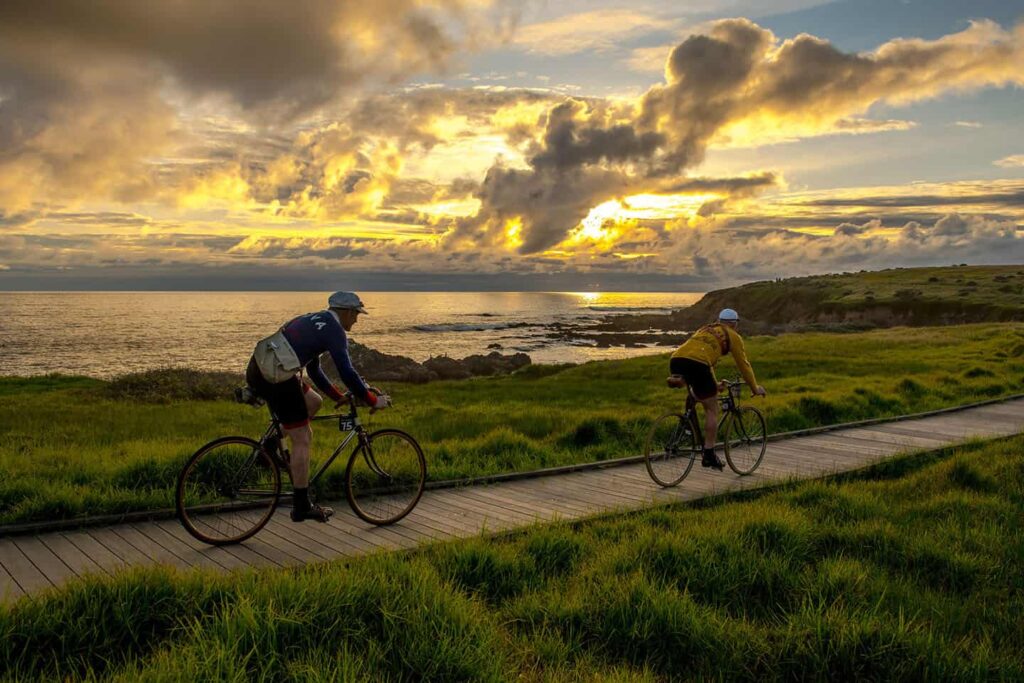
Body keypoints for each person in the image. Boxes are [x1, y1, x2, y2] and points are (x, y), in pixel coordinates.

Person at [245, 291, 389, 522]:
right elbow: (346, 371)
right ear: (347, 312)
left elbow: (313, 370)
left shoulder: (310, 320)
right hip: (276, 377)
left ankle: (270, 447)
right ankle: (302, 505)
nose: (356, 320)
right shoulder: (335, 331)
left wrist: (337, 396)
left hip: (261, 368)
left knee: (314, 402)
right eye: (356, 315)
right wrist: (373, 400)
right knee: (302, 438)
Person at [669, 308, 766, 470]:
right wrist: (754, 388)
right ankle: (709, 454)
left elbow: (708, 363)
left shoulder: (705, 329)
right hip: (698, 364)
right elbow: (744, 365)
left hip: (676, 359)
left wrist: (714, 385)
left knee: (698, 394)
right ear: (735, 324)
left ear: (719, 321)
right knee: (712, 409)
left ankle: (686, 428)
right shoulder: (733, 336)